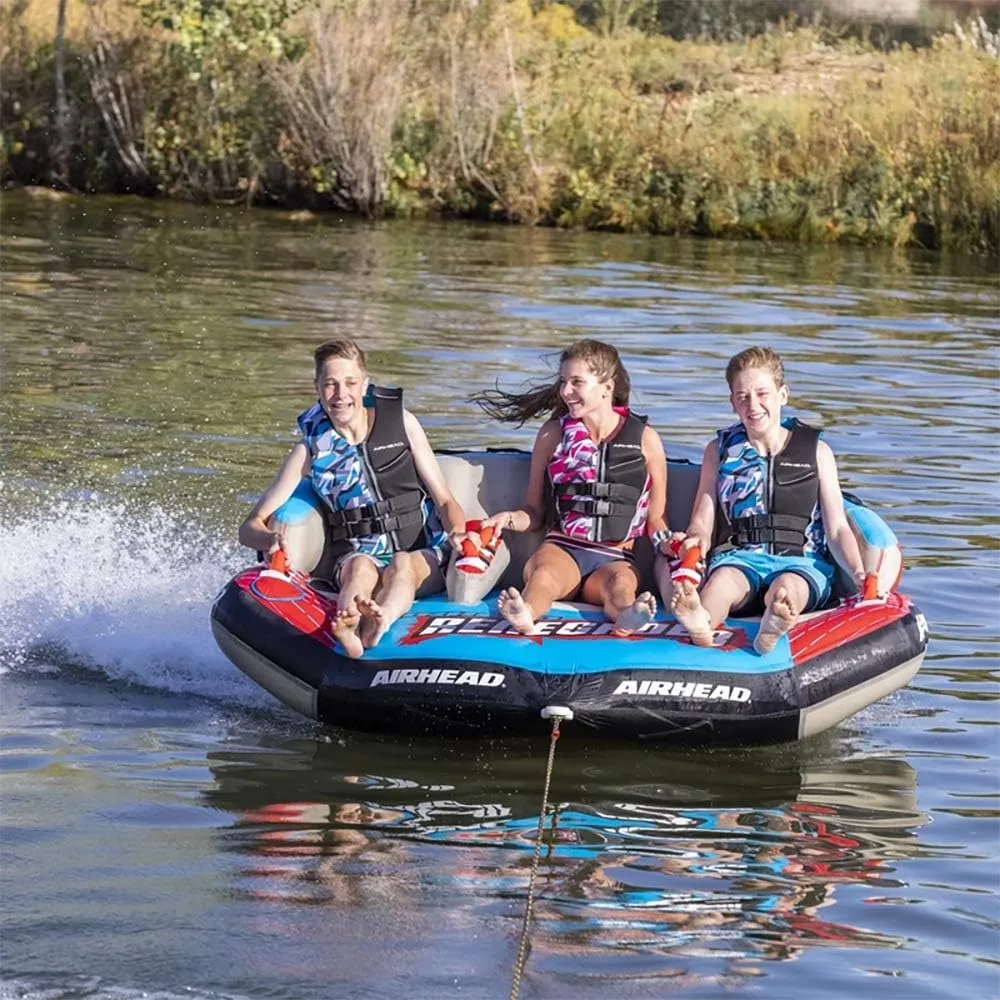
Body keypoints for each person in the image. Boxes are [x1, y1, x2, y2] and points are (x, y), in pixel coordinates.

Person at [238, 338, 466, 658]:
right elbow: (249, 527)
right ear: (317, 387)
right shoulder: (310, 450)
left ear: (365, 385)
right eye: (330, 384)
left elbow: (444, 501)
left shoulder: (403, 424)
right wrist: (272, 539)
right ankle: (347, 628)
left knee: (402, 564)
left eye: (350, 383)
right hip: (359, 553)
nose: (340, 394)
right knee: (359, 567)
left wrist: (457, 530)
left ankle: (378, 623)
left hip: (421, 549)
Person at [670, 346, 866, 654]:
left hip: (802, 561)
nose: (753, 405)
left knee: (787, 589)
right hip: (741, 558)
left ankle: (775, 622)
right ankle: (701, 620)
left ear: (782, 394)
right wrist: (693, 545)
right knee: (721, 584)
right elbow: (703, 520)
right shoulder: (718, 451)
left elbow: (837, 527)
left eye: (762, 393)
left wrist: (858, 572)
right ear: (733, 402)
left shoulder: (817, 452)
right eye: (742, 396)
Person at [473, 339, 672, 636]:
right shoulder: (553, 435)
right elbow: (534, 512)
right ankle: (524, 613)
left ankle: (627, 616)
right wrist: (509, 519)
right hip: (563, 548)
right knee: (543, 578)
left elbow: (656, 519)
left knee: (620, 587)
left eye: (576, 382)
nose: (565, 391)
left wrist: (672, 542)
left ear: (607, 387)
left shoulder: (646, 440)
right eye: (563, 381)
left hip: (616, 556)